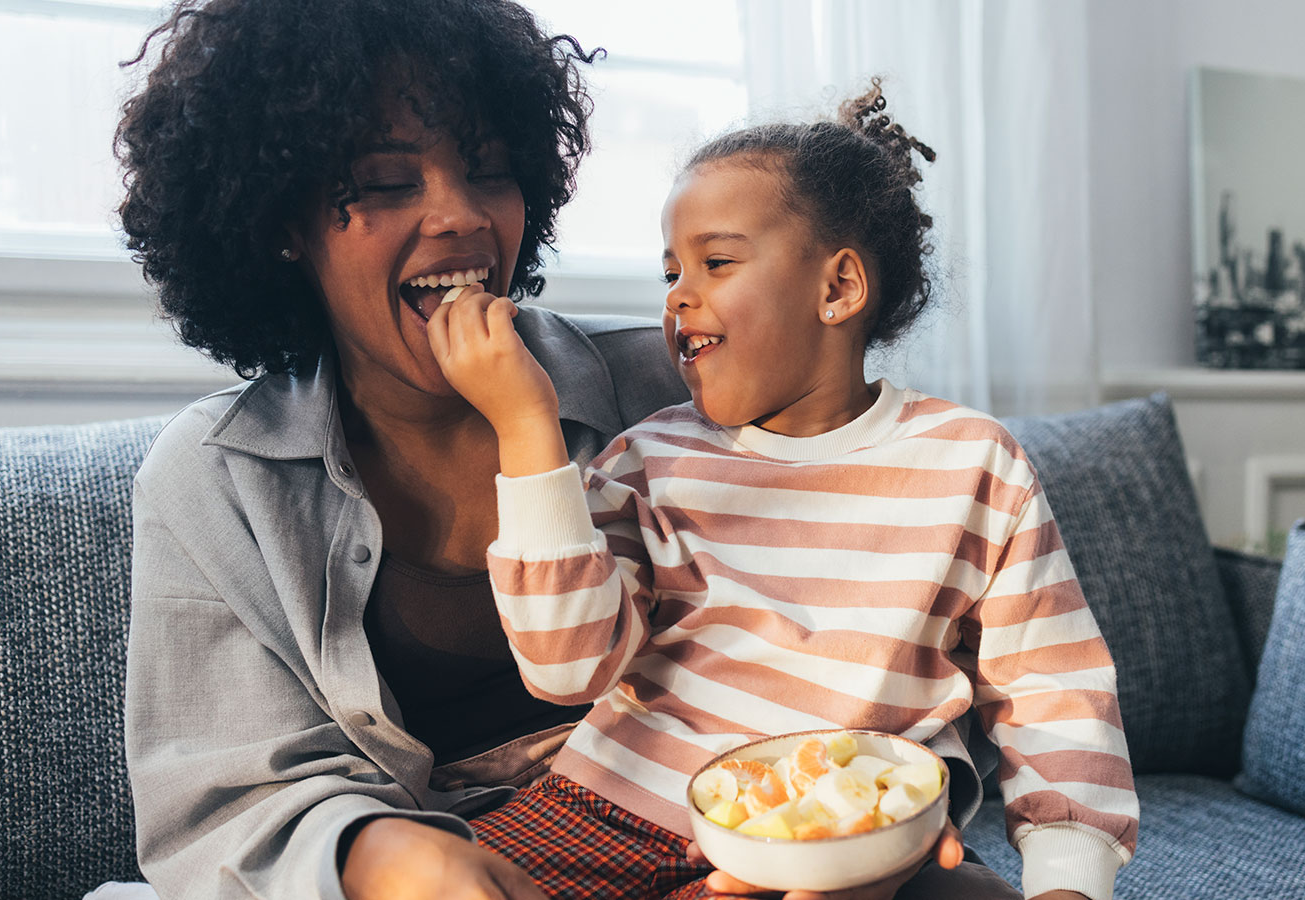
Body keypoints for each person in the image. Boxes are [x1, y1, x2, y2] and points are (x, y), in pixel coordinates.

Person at [429, 81, 1140, 900]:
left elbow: (1055, 692)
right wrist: (525, 430)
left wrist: (1068, 883)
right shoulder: (647, 460)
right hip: (608, 812)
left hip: (847, 847)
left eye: (716, 262)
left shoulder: (975, 463)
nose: (678, 297)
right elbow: (565, 670)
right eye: (671, 272)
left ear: (837, 289)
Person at [115, 1, 687, 898]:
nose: (459, 215)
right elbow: (224, 802)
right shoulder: (217, 478)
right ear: (281, 224)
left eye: (490, 169)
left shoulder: (666, 388)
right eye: (384, 182)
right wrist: (388, 856)